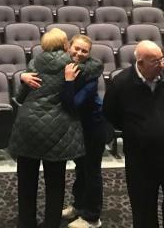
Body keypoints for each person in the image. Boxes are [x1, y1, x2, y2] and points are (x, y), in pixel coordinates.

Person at [10, 29, 102, 228]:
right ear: (66, 46)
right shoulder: (73, 67)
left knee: (26, 180)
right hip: (57, 130)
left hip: (28, 127)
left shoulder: (34, 63)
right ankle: (51, 223)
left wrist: (22, 77)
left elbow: (19, 97)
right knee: (55, 183)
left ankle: (26, 223)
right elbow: (95, 67)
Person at [103, 40, 164, 228]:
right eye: (155, 62)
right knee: (143, 208)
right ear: (140, 63)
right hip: (140, 160)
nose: (162, 65)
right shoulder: (121, 83)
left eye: (162, 59)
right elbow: (110, 113)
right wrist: (137, 130)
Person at [61, 35, 107, 228]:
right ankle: (79, 206)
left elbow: (75, 104)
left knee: (91, 172)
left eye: (84, 51)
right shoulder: (66, 67)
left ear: (89, 54)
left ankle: (92, 217)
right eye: (76, 48)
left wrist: (69, 81)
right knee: (80, 169)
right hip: (78, 128)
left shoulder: (90, 75)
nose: (79, 53)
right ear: (68, 48)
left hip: (93, 128)